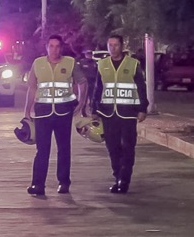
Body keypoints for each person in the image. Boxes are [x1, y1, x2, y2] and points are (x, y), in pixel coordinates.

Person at [24, 35, 88, 195]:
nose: (54, 50)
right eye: (51, 46)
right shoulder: (38, 64)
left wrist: (81, 103)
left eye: (57, 46)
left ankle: (64, 182)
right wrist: (27, 111)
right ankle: (38, 185)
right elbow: (32, 87)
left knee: (64, 149)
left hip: (63, 112)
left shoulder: (70, 63)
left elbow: (83, 82)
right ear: (46, 47)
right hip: (43, 113)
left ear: (62, 48)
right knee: (42, 150)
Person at [92, 35, 149, 194]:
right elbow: (97, 89)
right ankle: (117, 176)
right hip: (108, 113)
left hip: (128, 114)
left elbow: (141, 87)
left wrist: (143, 109)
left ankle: (124, 180)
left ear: (122, 46)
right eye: (110, 45)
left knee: (128, 147)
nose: (113, 48)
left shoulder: (132, 64)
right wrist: (94, 110)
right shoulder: (102, 64)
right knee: (112, 147)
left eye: (116, 45)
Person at [77, 50, 98, 116]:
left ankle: (92, 111)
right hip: (84, 82)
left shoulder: (94, 62)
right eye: (88, 54)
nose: (89, 56)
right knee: (84, 98)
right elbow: (78, 72)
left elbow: (97, 72)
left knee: (93, 97)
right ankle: (82, 111)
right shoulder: (82, 62)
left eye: (90, 54)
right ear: (85, 55)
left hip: (92, 82)